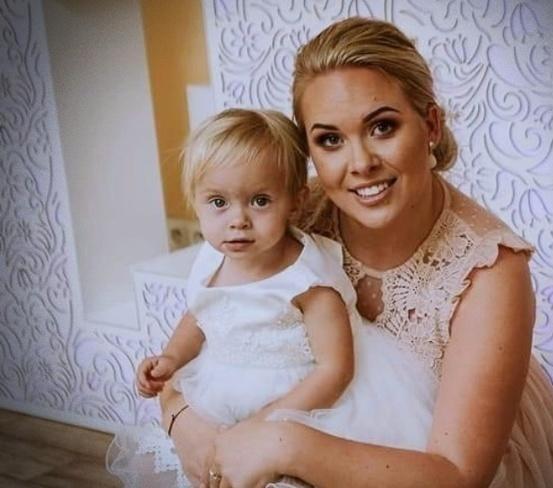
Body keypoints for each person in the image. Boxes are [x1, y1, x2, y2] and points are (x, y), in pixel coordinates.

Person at [157, 17, 553, 488]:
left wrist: (283, 442)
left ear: (431, 125)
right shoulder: (290, 214)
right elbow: (216, 331)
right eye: (330, 140)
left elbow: (460, 475)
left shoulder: (489, 271)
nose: (360, 164)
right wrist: (181, 420)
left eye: (382, 127)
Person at [108, 107, 443, 487]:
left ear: (295, 201)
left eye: (260, 201)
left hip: (300, 404)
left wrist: (265, 426)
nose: (238, 220)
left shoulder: (307, 280)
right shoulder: (210, 258)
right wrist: (171, 358)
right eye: (218, 202)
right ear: (195, 202)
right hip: (221, 391)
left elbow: (335, 369)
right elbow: (201, 315)